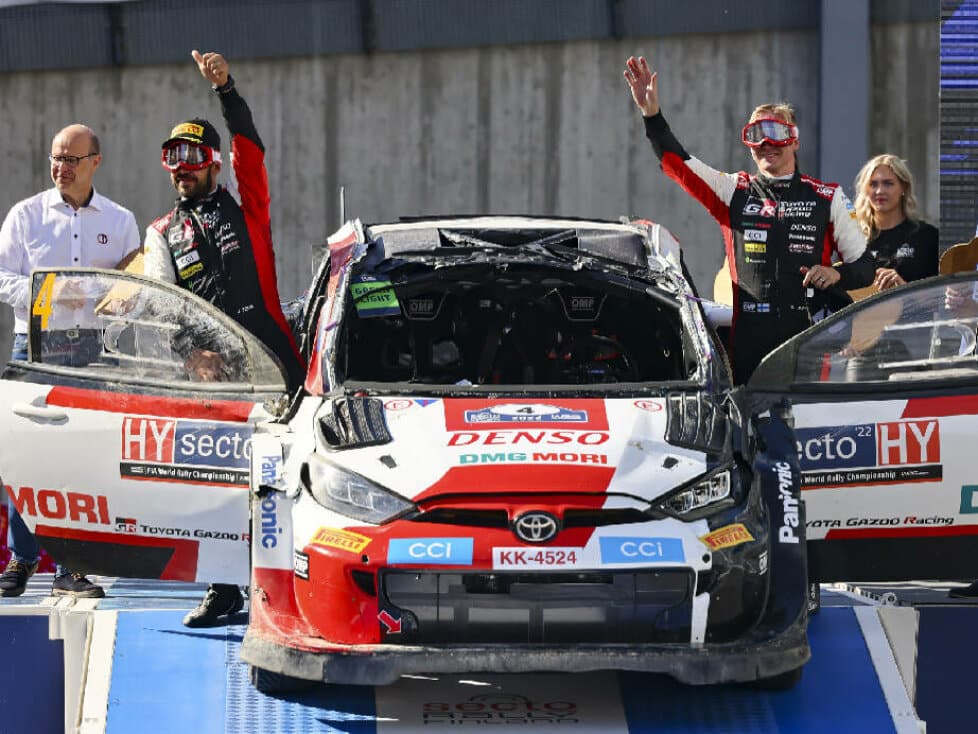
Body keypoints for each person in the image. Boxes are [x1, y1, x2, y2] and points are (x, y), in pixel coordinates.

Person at [143, 50, 304, 627]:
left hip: (277, 364)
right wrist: (192, 352)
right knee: (216, 485)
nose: (180, 168)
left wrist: (226, 90)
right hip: (212, 375)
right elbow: (160, 304)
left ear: (212, 163)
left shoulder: (249, 208)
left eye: (190, 157)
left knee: (287, 478)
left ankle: (291, 587)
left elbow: (250, 149)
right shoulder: (161, 232)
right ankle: (224, 589)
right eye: (172, 158)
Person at [623, 55, 875, 384]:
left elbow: (865, 267)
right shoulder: (734, 191)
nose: (766, 143)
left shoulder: (828, 197)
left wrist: (835, 274)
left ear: (795, 140)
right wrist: (652, 115)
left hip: (810, 343)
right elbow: (678, 163)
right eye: (755, 135)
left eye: (776, 133)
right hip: (748, 348)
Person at [0, 124, 140, 598]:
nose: (61, 167)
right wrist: (52, 293)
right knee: (24, 454)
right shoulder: (25, 215)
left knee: (84, 460)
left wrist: (124, 299)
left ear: (95, 162)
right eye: (56, 158)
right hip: (35, 346)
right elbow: (2, 277)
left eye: (72, 159)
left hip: (93, 350)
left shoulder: (120, 221)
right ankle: (21, 560)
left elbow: (134, 285)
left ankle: (73, 568)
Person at [853, 154, 938, 290]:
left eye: (888, 183)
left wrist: (902, 289)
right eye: (873, 184)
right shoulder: (853, 241)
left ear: (904, 187)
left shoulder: (928, 237)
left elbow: (939, 296)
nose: (879, 191)